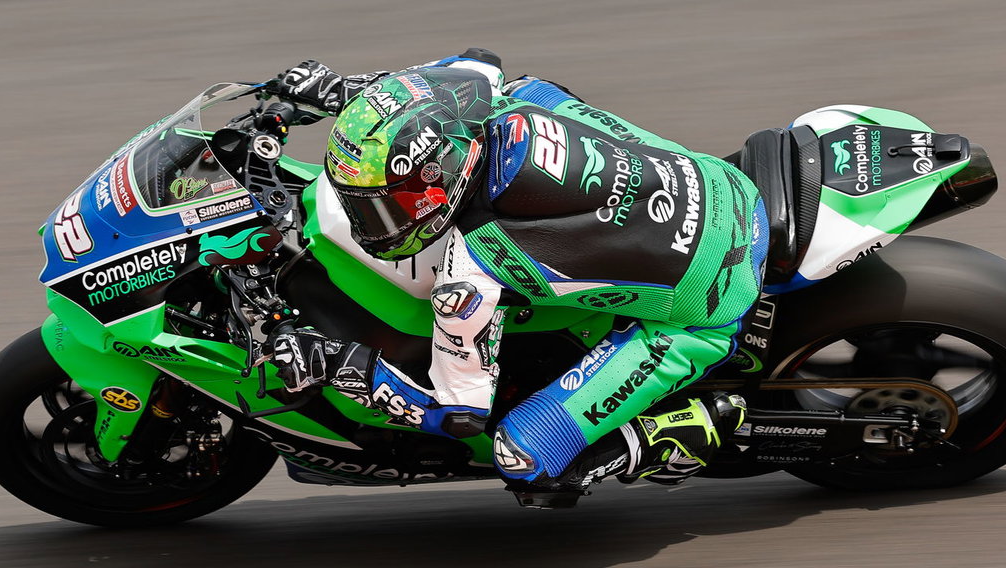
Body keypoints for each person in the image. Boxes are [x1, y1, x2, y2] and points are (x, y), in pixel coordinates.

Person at [266, 48, 768, 507]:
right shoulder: (496, 94)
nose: (373, 225)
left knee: (522, 457)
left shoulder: (473, 267)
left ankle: (685, 427)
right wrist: (342, 93)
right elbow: (455, 70)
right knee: (543, 92)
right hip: (728, 188)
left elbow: (459, 416)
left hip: (710, 308)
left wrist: (342, 366)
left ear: (438, 180)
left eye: (385, 208)